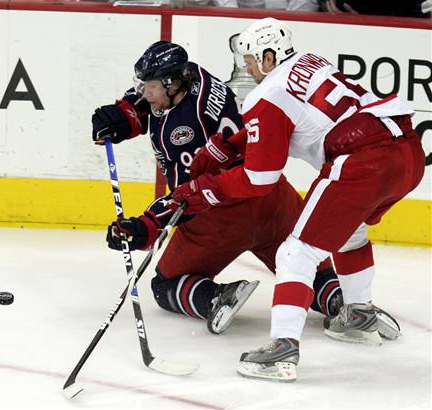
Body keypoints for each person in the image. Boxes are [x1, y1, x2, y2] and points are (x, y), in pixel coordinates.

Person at [171, 18, 424, 381]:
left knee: (295, 253)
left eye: (252, 60)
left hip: (361, 162)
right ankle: (358, 315)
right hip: (406, 155)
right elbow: (291, 122)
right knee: (350, 233)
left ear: (269, 56)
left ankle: (282, 349)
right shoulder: (311, 61)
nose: (248, 68)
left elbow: (261, 178)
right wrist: (230, 145)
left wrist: (205, 189)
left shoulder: (266, 94)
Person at [91, 40, 348, 335]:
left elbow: (188, 197)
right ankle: (340, 302)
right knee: (306, 268)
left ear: (173, 83)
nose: (146, 93)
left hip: (223, 215)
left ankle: (214, 299)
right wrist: (124, 117)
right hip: (274, 199)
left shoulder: (186, 131)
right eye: (145, 85)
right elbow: (151, 102)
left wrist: (147, 226)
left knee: (165, 284)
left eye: (152, 86)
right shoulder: (193, 75)